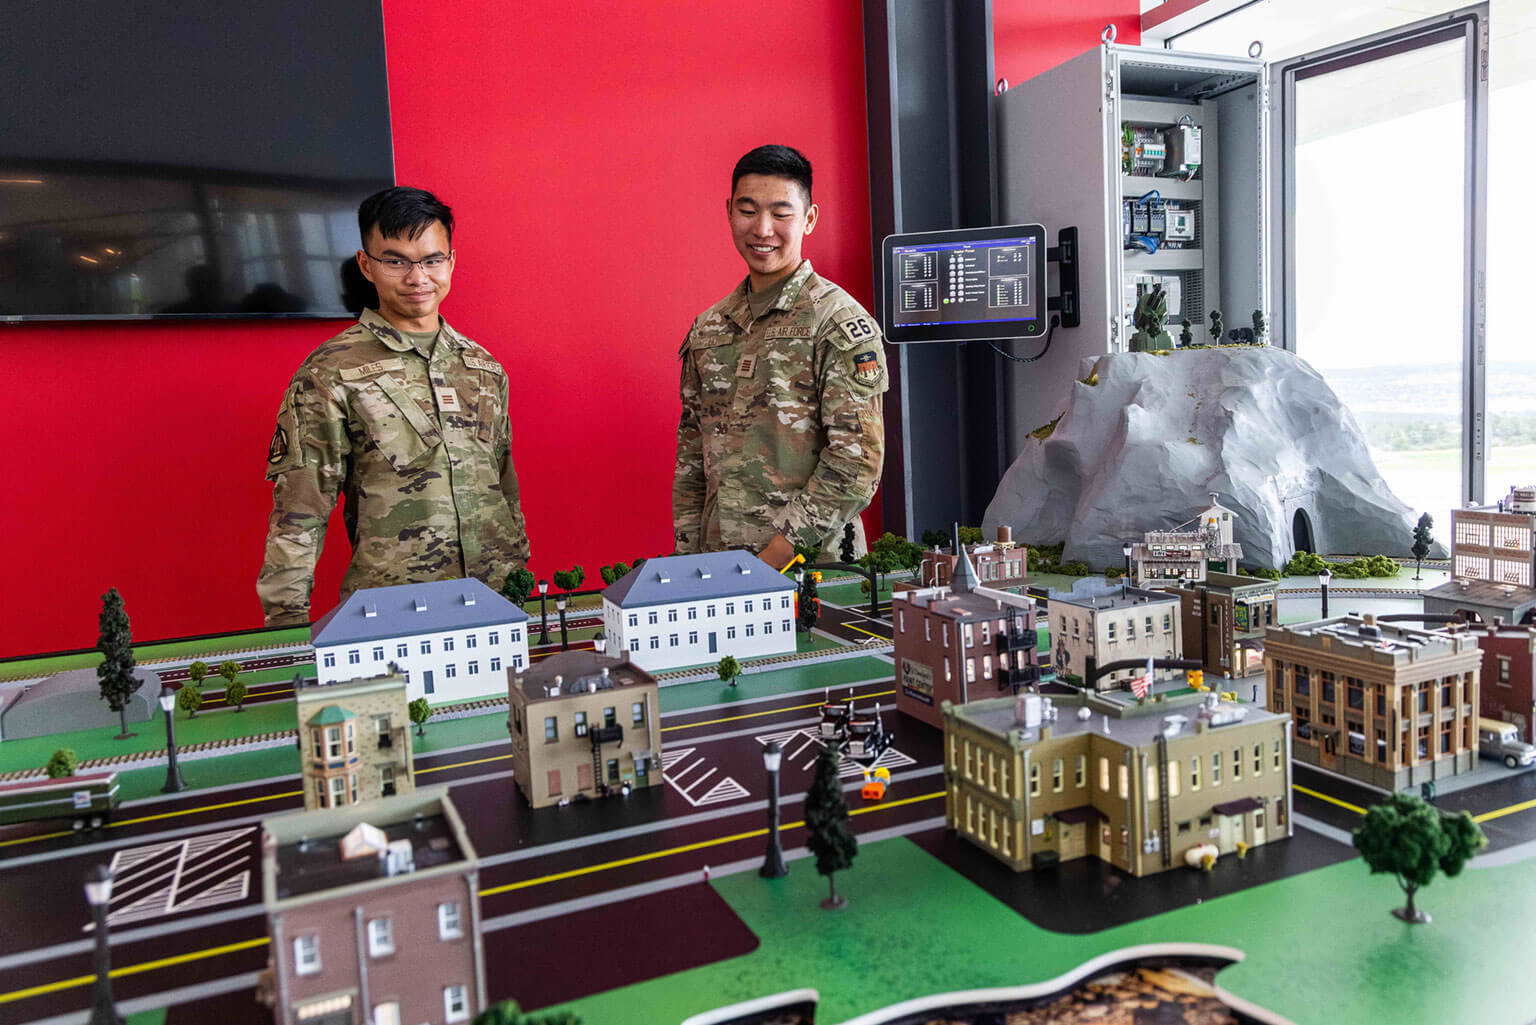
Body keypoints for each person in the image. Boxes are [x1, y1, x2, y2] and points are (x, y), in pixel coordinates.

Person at [257, 187, 530, 626]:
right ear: (366, 264)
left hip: (496, 598)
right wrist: (286, 625)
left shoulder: (483, 367)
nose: (418, 277)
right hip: (393, 610)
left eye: (431, 260)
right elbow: (299, 512)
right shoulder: (330, 371)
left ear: (451, 261)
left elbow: (504, 486)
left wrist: (520, 579)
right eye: (396, 260)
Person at [673, 145, 887, 570]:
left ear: (809, 218)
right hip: (719, 567)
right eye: (748, 210)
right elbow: (692, 458)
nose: (763, 229)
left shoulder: (835, 321)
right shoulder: (709, 328)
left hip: (813, 567)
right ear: (729, 211)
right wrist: (687, 564)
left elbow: (857, 461)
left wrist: (773, 559)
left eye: (781, 213)